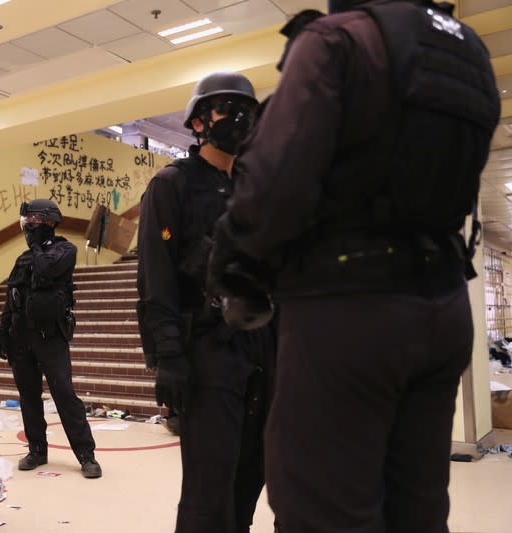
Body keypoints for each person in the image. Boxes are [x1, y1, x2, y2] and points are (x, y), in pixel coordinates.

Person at [207, 1, 500, 530]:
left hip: (349, 311)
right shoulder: (468, 48)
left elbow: (275, 182)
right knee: (417, 505)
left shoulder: (338, 39)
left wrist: (232, 257)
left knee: (323, 509)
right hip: (445, 304)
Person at [136, 71, 276, 533]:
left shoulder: (256, 187)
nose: (238, 119)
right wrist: (168, 356)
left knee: (253, 474)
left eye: (247, 112)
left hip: (263, 348)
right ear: (198, 122)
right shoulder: (173, 185)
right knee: (208, 488)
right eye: (225, 108)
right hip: (208, 350)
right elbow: (156, 279)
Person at [0, 199, 102, 479]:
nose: (29, 227)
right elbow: (12, 298)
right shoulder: (23, 259)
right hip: (21, 338)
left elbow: (45, 270)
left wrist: (36, 244)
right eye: (27, 222)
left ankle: (86, 455)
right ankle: (37, 450)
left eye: (34, 222)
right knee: (29, 397)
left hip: (51, 337)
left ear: (50, 222)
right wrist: (2, 331)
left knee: (64, 395)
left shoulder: (65, 250)